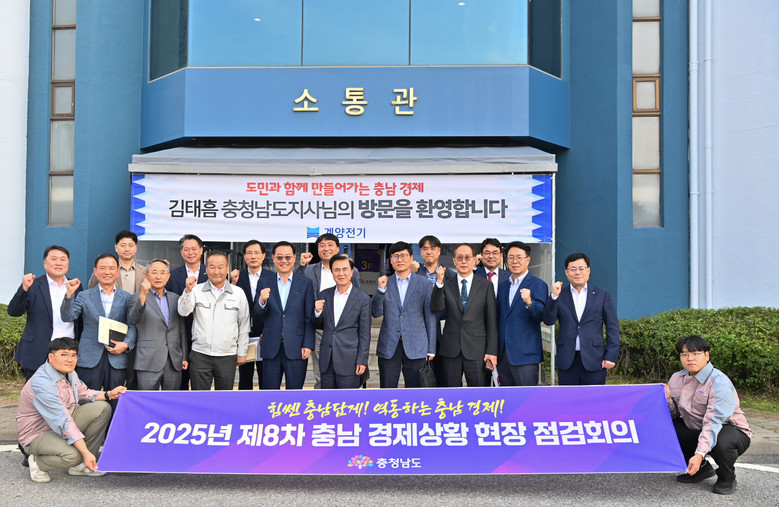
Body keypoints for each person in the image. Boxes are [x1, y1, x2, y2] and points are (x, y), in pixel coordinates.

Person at [16, 337, 126, 482]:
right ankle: (38, 462)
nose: (70, 359)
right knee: (74, 456)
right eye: (64, 354)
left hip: (59, 423)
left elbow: (83, 392)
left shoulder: (70, 373)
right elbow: (63, 422)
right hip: (38, 434)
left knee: (102, 408)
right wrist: (85, 452)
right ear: (51, 357)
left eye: (73, 355)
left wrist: (109, 394)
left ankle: (81, 466)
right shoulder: (42, 384)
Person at [664, 335, 752, 495]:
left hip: (729, 430)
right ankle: (701, 470)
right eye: (684, 354)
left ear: (707, 355)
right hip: (697, 428)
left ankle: (727, 478)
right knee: (668, 429)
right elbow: (674, 414)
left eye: (695, 353)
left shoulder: (719, 382)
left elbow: (713, 422)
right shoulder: (676, 378)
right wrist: (667, 399)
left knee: (722, 442)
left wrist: (699, 454)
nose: (690, 358)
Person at [61, 254, 136, 392]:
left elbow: (132, 325)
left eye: (111, 268)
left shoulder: (127, 297)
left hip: (117, 358)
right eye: (102, 268)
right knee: (86, 398)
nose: (107, 272)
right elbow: (68, 317)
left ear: (117, 271)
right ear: (95, 271)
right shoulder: (84, 296)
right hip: (90, 356)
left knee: (116, 398)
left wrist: (126, 344)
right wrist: (69, 295)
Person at [542, 252, 620, 385]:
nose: (577, 272)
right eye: (573, 269)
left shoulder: (602, 295)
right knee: (568, 397)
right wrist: (553, 297)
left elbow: (612, 327)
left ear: (588, 271)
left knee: (594, 397)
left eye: (581, 268)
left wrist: (611, 355)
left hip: (595, 359)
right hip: (567, 360)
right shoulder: (560, 294)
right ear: (566, 272)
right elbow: (549, 320)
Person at [178, 250, 249, 390]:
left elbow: (244, 324)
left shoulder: (238, 293)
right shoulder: (196, 290)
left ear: (227, 269)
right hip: (200, 354)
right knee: (200, 397)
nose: (216, 271)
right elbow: (183, 311)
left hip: (227, 355)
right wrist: (187, 291)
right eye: (212, 267)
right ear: (206, 269)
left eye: (220, 267)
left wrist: (242, 352)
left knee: (224, 397)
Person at [8, 245, 82, 380]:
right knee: (36, 390)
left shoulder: (75, 286)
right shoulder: (33, 285)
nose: (59, 263)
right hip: (39, 349)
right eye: (54, 259)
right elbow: (14, 311)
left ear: (68, 263)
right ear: (45, 264)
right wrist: (24, 289)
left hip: (68, 350)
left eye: (63, 259)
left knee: (66, 390)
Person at [297, 233, 360, 389]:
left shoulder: (351, 271)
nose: (326, 248)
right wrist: (301, 266)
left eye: (330, 245)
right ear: (317, 249)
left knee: (345, 374)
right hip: (319, 329)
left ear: (338, 248)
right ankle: (322, 400)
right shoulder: (309, 270)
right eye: (322, 245)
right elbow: (296, 287)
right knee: (322, 373)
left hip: (345, 331)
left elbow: (357, 299)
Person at [431, 243, 498, 387]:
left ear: (475, 260)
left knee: (479, 393)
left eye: (467, 258)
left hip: (477, 350)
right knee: (451, 393)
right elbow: (437, 307)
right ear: (454, 260)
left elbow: (491, 321)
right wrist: (439, 283)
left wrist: (492, 351)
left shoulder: (486, 286)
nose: (463, 261)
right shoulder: (446, 285)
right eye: (459, 258)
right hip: (451, 349)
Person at [87, 230, 147, 390]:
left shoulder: (144, 272)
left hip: (137, 326)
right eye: (123, 245)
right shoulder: (105, 269)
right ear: (116, 247)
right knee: (107, 373)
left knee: (132, 376)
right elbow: (92, 292)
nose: (127, 249)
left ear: (136, 248)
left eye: (130, 245)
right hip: (110, 328)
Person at [372, 241, 437, 388]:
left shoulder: (424, 284)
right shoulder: (385, 282)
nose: (399, 259)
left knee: (415, 391)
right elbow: (376, 312)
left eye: (403, 255)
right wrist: (380, 291)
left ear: (411, 258)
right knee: (387, 389)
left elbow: (430, 317)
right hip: (389, 345)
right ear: (390, 260)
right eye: (395, 256)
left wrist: (431, 348)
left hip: (416, 344)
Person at [257, 241, 315, 390]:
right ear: (273, 258)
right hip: (271, 347)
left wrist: (308, 344)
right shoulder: (264, 282)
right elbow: (258, 314)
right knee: (269, 393)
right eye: (280, 257)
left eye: (288, 257)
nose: (284, 261)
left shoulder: (305, 283)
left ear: (294, 258)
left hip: (297, 347)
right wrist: (262, 301)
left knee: (294, 393)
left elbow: (309, 317)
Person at [129, 259, 188, 390]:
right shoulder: (136, 298)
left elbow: (181, 330)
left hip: (173, 360)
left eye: (162, 273)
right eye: (154, 272)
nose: (158, 276)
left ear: (168, 276)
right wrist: (143, 296)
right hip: (148, 360)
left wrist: (184, 356)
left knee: (171, 400)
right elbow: (134, 319)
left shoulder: (175, 298)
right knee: (147, 399)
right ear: (146, 275)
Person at [313, 254, 371, 389]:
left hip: (350, 361)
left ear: (352, 272)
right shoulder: (324, 295)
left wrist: (362, 360)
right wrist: (317, 312)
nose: (341, 273)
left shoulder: (363, 299)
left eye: (345, 269)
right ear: (332, 272)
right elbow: (319, 325)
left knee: (348, 399)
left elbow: (365, 334)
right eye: (336, 270)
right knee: (327, 399)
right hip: (327, 359)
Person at [496, 241, 548, 386]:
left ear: (528, 260)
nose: (515, 261)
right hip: (504, 354)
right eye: (511, 257)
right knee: (506, 397)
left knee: (526, 397)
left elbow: (541, 315)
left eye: (519, 257)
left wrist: (530, 303)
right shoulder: (503, 286)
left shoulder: (538, 284)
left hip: (526, 355)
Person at [231, 240, 275, 390]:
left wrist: (268, 330)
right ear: (244, 256)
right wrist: (233, 283)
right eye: (249, 253)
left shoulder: (272, 277)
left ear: (263, 256)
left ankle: (265, 403)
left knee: (266, 375)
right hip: (245, 333)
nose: (253, 256)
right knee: (245, 376)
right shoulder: (238, 276)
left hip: (265, 334)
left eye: (257, 253)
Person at [166, 234, 208, 390]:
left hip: (205, 334)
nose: (190, 253)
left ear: (201, 250)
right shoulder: (172, 275)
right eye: (186, 249)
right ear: (181, 252)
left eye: (194, 249)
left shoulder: (211, 272)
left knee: (201, 382)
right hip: (180, 333)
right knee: (181, 380)